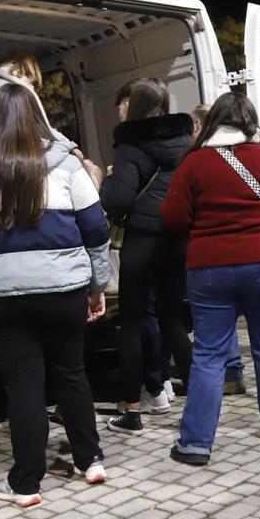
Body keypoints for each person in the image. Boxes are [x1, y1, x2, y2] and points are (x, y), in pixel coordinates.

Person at [0, 83, 111, 507]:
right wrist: (96, 286)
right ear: (37, 117)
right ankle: (90, 460)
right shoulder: (67, 166)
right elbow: (96, 229)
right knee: (71, 372)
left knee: (24, 384)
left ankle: (26, 483)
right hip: (63, 289)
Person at [162, 93, 260, 464]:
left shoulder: (195, 163)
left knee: (209, 354)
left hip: (209, 268)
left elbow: (174, 217)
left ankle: (195, 443)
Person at [100, 79, 194, 434]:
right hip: (177, 241)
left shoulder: (130, 144)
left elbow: (118, 199)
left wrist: (106, 182)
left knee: (133, 325)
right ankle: (199, 406)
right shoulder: (186, 143)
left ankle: (133, 413)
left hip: (141, 243)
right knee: (174, 323)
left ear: (134, 106)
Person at [0, 49, 102, 188]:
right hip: (5, 159)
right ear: (28, 69)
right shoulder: (14, 91)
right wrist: (70, 147)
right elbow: (39, 128)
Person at [192, 103, 248, 395]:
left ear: (201, 127)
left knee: (213, 335)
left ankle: (228, 375)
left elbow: (177, 212)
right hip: (259, 256)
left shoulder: (197, 161)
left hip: (212, 256)